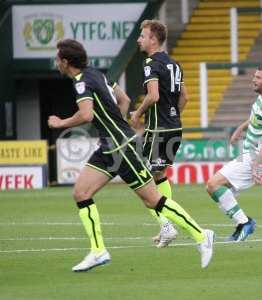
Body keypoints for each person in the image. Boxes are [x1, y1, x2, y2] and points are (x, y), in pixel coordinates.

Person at [48, 39, 214, 271]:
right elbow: (124, 99)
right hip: (110, 145)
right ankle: (98, 251)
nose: (56, 63)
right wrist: (118, 125)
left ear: (65, 62)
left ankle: (201, 235)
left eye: (57, 59)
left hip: (121, 148)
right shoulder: (97, 73)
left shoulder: (81, 82)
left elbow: (86, 115)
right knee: (81, 193)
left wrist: (61, 122)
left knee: (153, 199)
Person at [206, 65, 262, 241]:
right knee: (219, 191)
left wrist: (256, 165)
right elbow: (256, 118)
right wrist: (240, 129)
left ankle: (244, 223)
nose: (253, 80)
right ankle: (242, 223)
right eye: (254, 76)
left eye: (258, 77)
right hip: (250, 153)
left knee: (214, 184)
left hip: (257, 156)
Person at [130, 20, 187, 248]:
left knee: (141, 182)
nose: (139, 39)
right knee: (159, 176)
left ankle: (166, 225)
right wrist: (172, 117)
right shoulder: (174, 64)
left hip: (157, 131)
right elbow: (185, 98)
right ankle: (166, 225)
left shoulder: (150, 63)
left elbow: (153, 96)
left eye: (142, 36)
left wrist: (137, 114)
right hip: (174, 127)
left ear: (153, 39)